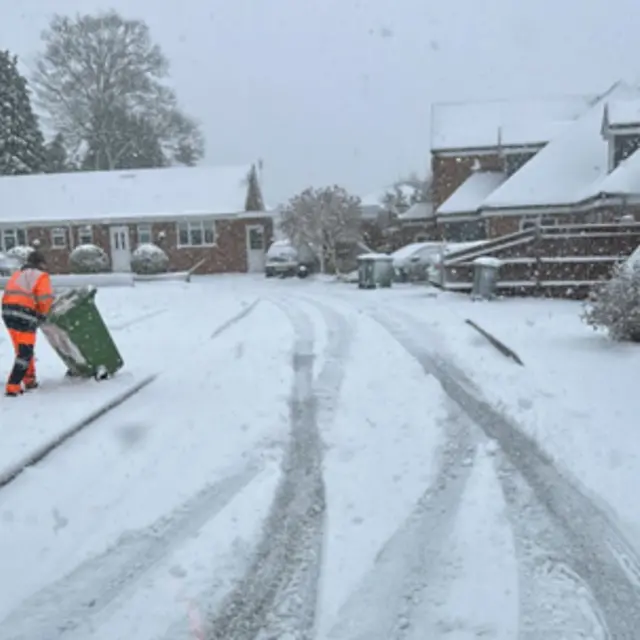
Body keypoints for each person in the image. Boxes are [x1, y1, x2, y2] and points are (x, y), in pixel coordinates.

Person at [1, 250, 54, 396]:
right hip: (24, 314)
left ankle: (29, 379)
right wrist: (43, 313)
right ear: (41, 263)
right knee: (25, 352)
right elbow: (45, 299)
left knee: (22, 350)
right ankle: (13, 386)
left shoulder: (18, 274)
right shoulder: (41, 276)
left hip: (7, 313)